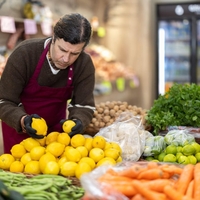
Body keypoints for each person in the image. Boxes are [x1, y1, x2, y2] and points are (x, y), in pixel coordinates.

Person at [0, 13, 96, 153]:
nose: (65, 59)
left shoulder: (84, 64)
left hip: (56, 136)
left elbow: (84, 104)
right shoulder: (25, 54)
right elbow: (4, 100)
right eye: (62, 50)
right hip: (19, 132)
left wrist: (79, 121)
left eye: (74, 53)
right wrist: (23, 121)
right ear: (53, 38)